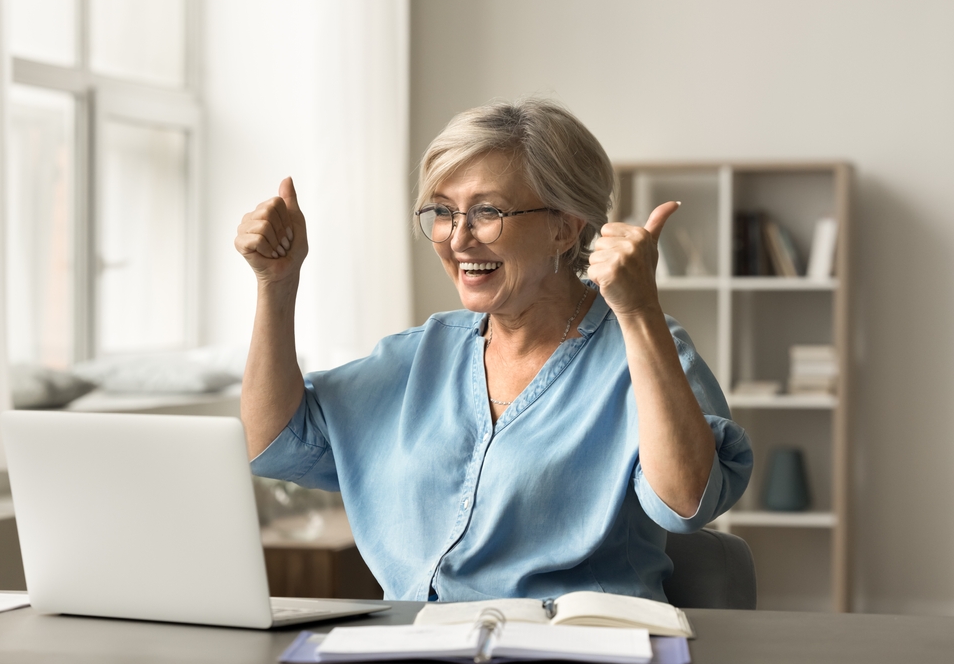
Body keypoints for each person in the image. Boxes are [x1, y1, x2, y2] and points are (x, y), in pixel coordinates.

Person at [234, 98, 752, 603]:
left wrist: (638, 313)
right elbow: (272, 443)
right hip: (417, 645)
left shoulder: (641, 352)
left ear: (565, 227)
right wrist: (275, 284)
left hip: (573, 645)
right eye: (442, 211)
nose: (458, 239)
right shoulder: (418, 356)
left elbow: (687, 503)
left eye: (486, 212)